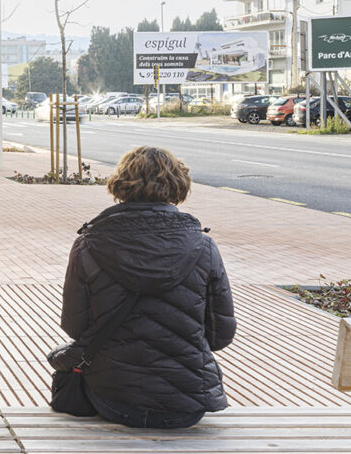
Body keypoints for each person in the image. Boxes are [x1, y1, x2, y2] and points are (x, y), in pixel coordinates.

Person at [58, 145, 237, 429]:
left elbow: (74, 326)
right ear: (178, 186)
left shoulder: (89, 244)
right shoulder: (203, 247)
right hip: (187, 404)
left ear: (120, 184)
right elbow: (221, 335)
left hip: (113, 398)